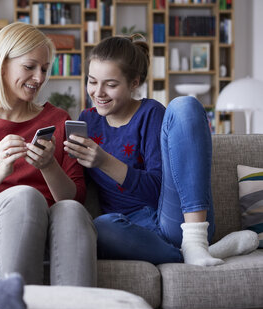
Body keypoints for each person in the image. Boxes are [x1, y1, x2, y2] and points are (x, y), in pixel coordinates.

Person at [64, 35, 258, 266]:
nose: (98, 92)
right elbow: (76, 190)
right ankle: (210, 251)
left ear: (134, 83)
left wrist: (104, 161)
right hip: (131, 231)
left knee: (184, 105)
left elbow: (156, 190)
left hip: (175, 220)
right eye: (92, 81)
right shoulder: (88, 120)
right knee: (100, 227)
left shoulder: (151, 114)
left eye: (111, 84)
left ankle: (195, 243)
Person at [0, 22, 97, 286]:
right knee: (24, 197)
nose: (39, 78)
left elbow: (74, 197)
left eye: (44, 69)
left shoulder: (58, 119)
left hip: (49, 224)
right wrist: (0, 169)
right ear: (2, 63)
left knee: (72, 212)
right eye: (29, 67)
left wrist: (48, 165)